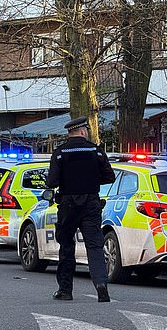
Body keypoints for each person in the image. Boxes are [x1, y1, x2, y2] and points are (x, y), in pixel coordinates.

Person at [46, 116, 116, 303]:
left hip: (68, 205)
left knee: (67, 246)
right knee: (94, 246)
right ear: (83, 131)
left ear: (70, 133)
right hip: (91, 204)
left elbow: (51, 182)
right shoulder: (96, 151)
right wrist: (91, 180)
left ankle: (65, 290)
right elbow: (110, 177)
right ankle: (101, 286)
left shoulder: (60, 153)